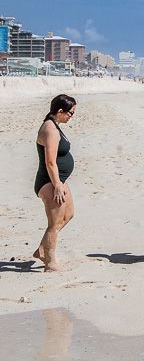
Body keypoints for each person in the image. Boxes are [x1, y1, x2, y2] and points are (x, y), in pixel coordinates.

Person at [33, 94, 77, 272]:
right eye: (70, 113)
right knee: (55, 223)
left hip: (59, 179)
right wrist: (57, 184)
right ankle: (50, 263)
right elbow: (50, 162)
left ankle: (42, 250)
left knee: (68, 215)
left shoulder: (54, 125)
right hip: (50, 182)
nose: (71, 117)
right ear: (60, 111)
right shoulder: (50, 130)